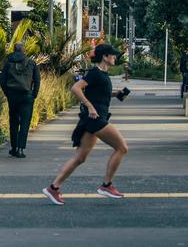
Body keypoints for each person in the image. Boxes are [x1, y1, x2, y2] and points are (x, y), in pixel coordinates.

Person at [42, 43, 130, 205]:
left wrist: (117, 94)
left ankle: (53, 188)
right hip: (95, 119)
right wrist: (90, 107)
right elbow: (76, 88)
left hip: (94, 119)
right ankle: (106, 185)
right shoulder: (95, 73)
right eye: (112, 55)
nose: (115, 57)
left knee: (80, 158)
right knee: (122, 148)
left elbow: (98, 94)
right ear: (104, 56)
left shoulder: (103, 75)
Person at [0, 39, 40, 159]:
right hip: (27, 96)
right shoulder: (31, 63)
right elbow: (37, 80)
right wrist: (34, 94)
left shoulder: (7, 63)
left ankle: (13, 148)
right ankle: (20, 149)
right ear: (24, 50)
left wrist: (7, 93)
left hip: (12, 95)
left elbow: (2, 80)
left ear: (14, 50)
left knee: (13, 121)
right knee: (25, 122)